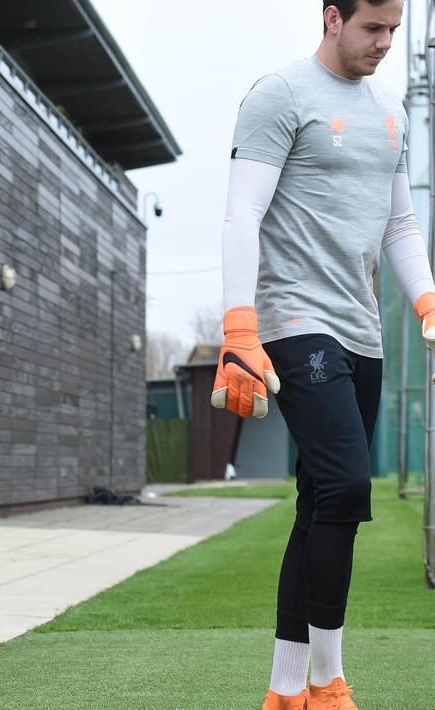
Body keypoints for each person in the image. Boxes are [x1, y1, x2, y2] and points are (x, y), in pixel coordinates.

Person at [212, 2, 434, 708]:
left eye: (394, 32)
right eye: (372, 28)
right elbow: (241, 212)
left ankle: (282, 692)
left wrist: (426, 300)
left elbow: (399, 222)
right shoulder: (277, 96)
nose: (384, 44)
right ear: (331, 18)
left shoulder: (390, 112)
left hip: (359, 328)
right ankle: (326, 679)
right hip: (291, 321)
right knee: (344, 486)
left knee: (318, 503)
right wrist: (237, 328)